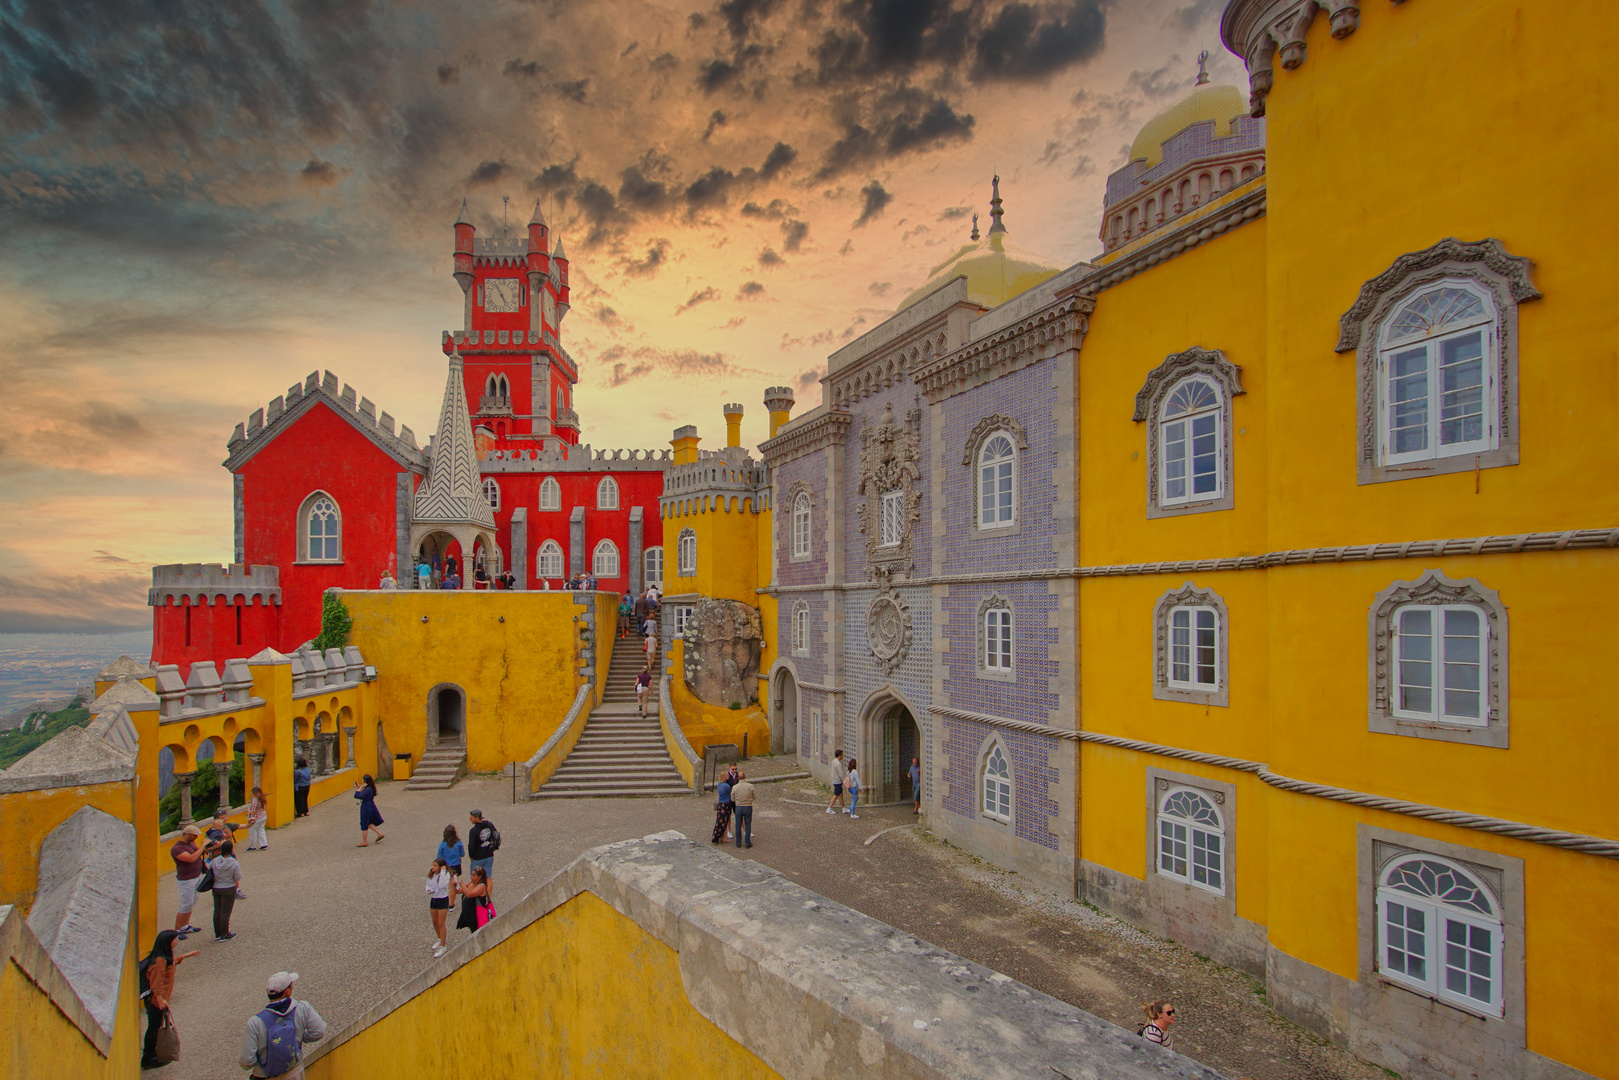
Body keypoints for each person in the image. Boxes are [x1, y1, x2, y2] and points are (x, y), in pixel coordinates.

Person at [241, 972, 327, 1079]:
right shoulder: (302, 1008)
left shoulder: (255, 1022)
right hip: (294, 1072)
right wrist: (298, 1039)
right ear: (287, 992)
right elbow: (319, 1031)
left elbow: (246, 1062)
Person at [140, 930, 199, 1069]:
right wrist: (160, 1000)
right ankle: (149, 1057)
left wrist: (183, 956)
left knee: (155, 1026)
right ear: (168, 942)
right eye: (175, 939)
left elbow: (170, 965)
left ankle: (151, 1053)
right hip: (156, 1002)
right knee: (154, 1028)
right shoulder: (160, 961)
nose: (177, 941)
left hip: (157, 1000)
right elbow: (157, 982)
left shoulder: (163, 957)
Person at [170, 825, 206, 936]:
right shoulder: (177, 849)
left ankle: (185, 926)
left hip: (196, 876)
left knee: (191, 902)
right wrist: (203, 845)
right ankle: (176, 931)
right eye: (194, 836)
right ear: (187, 834)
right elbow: (191, 858)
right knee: (185, 904)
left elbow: (198, 853)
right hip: (186, 879)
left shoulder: (190, 843)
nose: (195, 838)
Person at [210, 840, 243, 941]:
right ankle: (224, 934)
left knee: (217, 910)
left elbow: (210, 872)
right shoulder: (234, 863)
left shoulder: (214, 861)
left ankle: (218, 933)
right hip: (228, 887)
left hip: (216, 887)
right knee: (225, 912)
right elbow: (238, 876)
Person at [426, 859, 453, 958]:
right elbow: (428, 884)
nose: (433, 867)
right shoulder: (431, 875)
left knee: (441, 923)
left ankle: (443, 945)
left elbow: (442, 885)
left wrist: (442, 872)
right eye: (433, 865)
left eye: (435, 866)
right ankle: (439, 938)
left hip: (442, 900)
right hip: (434, 899)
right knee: (434, 921)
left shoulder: (445, 874)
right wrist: (428, 890)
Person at [455, 865, 493, 935]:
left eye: (473, 875)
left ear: (479, 877)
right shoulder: (471, 883)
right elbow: (458, 891)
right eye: (471, 875)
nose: (471, 877)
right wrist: (455, 884)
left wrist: (461, 883)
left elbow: (470, 894)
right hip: (470, 914)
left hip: (477, 916)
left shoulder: (481, 886)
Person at [467, 810, 499, 892]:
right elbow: (495, 835)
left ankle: (476, 895)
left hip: (477, 858)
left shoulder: (473, 831)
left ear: (477, 818)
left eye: (471, 818)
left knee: (475, 879)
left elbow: (471, 846)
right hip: (489, 855)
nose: (470, 820)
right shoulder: (489, 825)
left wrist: (471, 856)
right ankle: (488, 898)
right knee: (488, 877)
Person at [354, 775, 385, 846]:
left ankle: (365, 842)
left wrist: (359, 788)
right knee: (369, 822)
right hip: (370, 805)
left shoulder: (367, 789)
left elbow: (358, 796)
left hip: (366, 806)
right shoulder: (369, 788)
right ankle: (379, 834)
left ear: (365, 781)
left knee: (364, 823)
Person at [731, 770, 756, 849]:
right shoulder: (750, 786)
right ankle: (747, 842)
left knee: (738, 824)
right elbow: (754, 796)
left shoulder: (735, 787)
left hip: (739, 806)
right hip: (748, 806)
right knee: (748, 824)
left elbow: (732, 798)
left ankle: (738, 842)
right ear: (745, 777)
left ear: (738, 778)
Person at [710, 772, 734, 844]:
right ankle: (724, 837)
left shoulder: (719, 784)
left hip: (721, 804)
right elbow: (730, 793)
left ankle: (719, 836)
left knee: (720, 821)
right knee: (725, 821)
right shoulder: (726, 786)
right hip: (726, 804)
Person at [826, 749, 847, 814]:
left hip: (835, 780)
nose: (842, 756)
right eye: (842, 755)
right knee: (836, 795)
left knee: (841, 795)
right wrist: (844, 780)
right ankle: (829, 808)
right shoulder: (838, 763)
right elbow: (840, 773)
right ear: (839, 755)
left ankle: (843, 808)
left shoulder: (834, 761)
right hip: (837, 781)